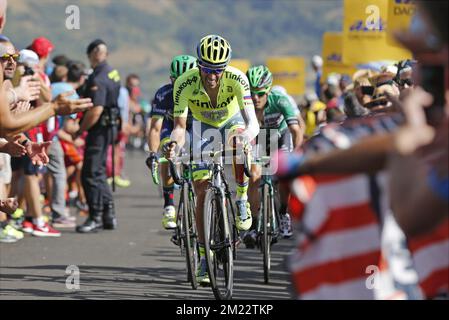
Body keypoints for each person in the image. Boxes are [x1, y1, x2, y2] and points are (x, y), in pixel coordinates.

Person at [166, 34, 260, 285]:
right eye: (206, 69)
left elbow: (253, 124)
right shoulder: (184, 83)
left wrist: (244, 138)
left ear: (225, 67)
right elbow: (179, 126)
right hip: (202, 126)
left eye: (217, 70)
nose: (212, 75)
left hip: (231, 122)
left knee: (238, 140)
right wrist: (175, 143)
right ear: (199, 65)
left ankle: (241, 199)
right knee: (200, 189)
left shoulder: (238, 78)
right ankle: (204, 257)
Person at [244, 65, 304, 245]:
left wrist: (297, 154)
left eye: (260, 94)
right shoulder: (244, 103)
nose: (255, 98)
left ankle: (283, 212)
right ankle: (254, 225)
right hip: (259, 138)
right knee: (254, 177)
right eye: (252, 93)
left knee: (284, 175)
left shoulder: (280, 100)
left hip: (281, 135)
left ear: (269, 92)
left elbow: (296, 130)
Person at [145, 55, 197, 230]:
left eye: (187, 80)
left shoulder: (202, 92)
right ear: (171, 79)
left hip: (195, 127)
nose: (182, 84)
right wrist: (153, 154)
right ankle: (168, 206)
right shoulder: (164, 94)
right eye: (177, 80)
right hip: (171, 126)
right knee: (168, 151)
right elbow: (155, 128)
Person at [75, 39, 121, 233]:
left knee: (90, 173)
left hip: (99, 128)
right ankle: (108, 215)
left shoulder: (99, 77)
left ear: (93, 54)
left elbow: (95, 110)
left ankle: (95, 216)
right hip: (109, 127)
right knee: (100, 171)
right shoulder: (111, 71)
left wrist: (80, 130)